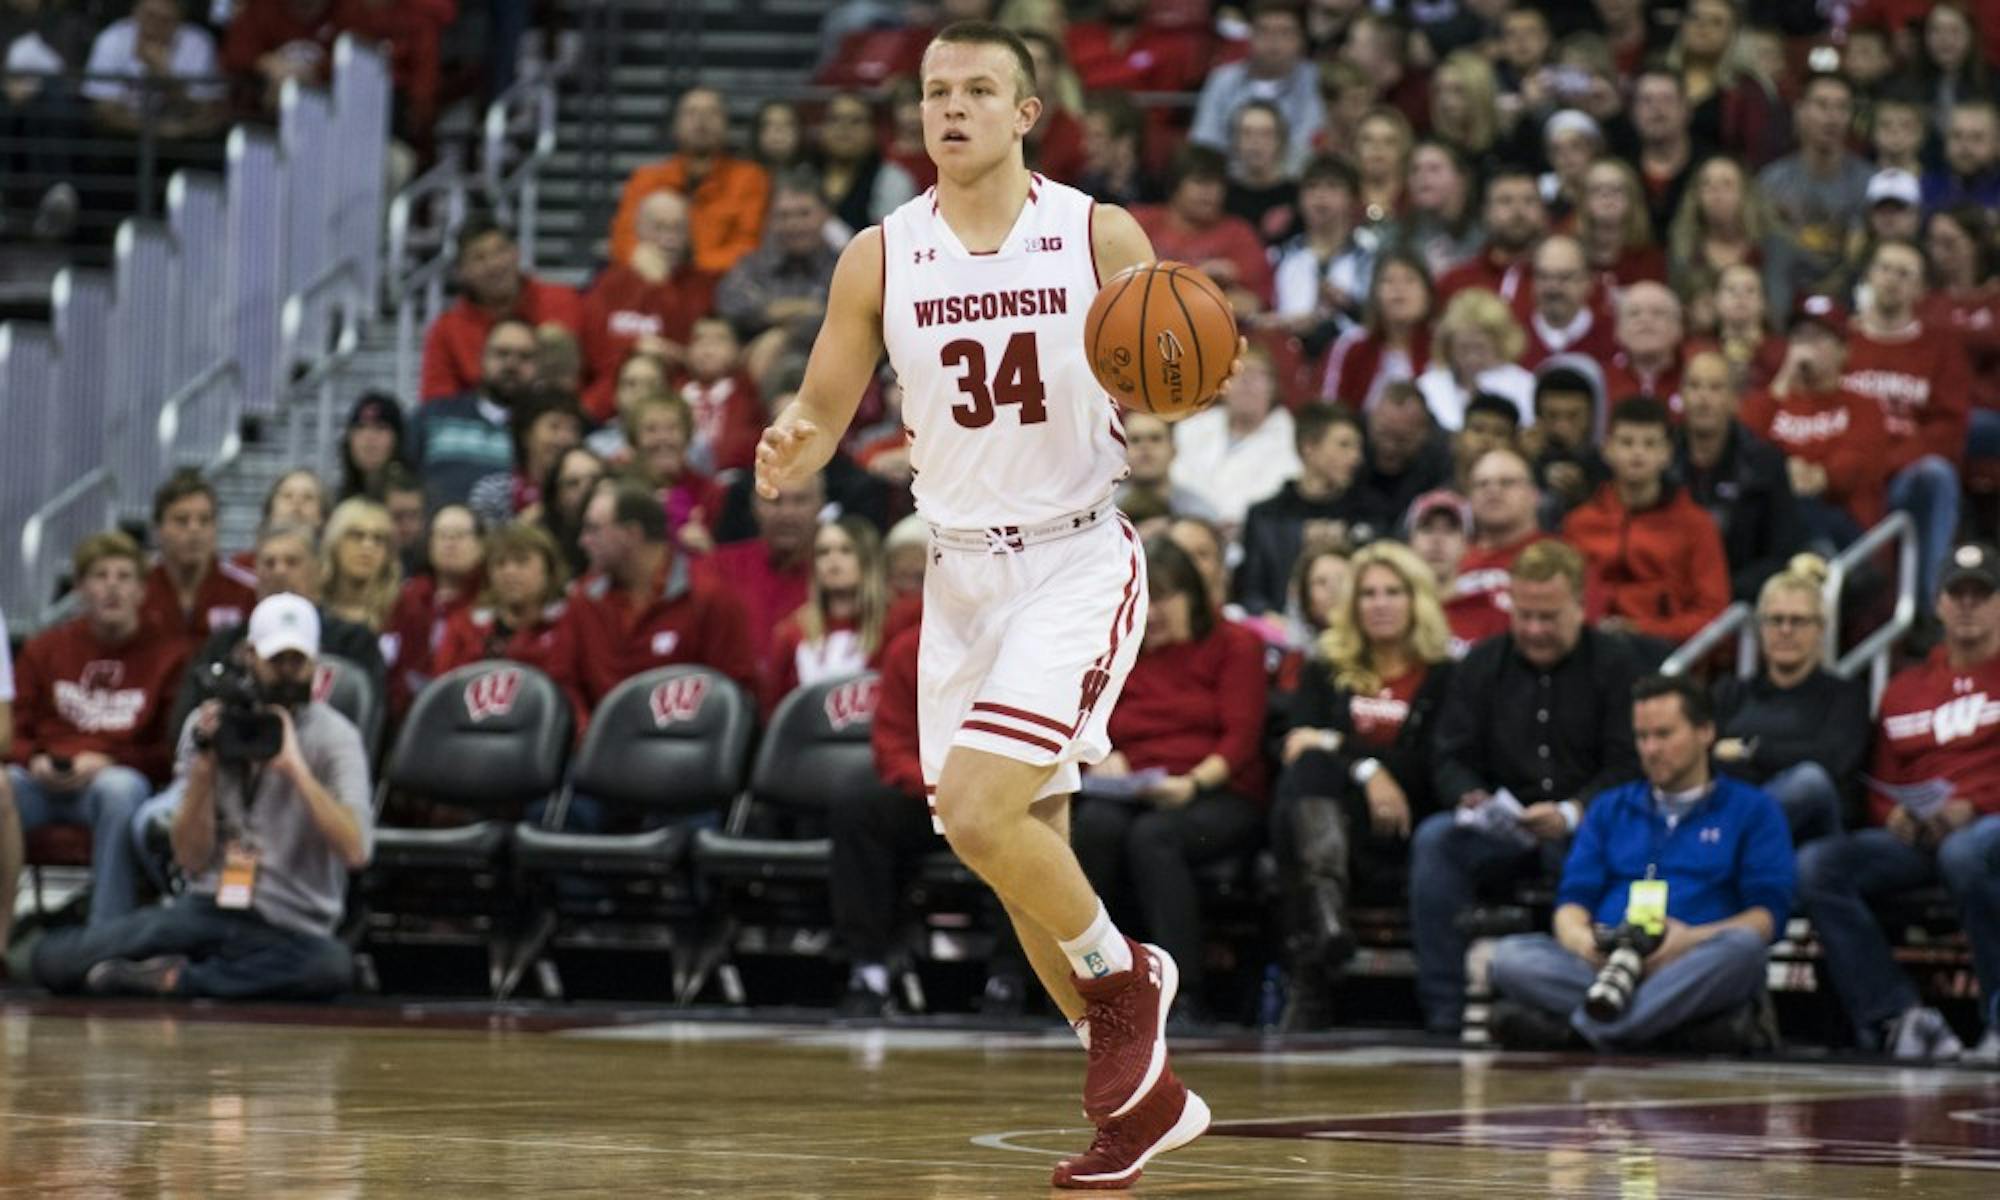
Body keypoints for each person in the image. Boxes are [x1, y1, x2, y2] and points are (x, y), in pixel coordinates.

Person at [750, 21, 1218, 1185]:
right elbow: (823, 403)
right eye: (931, 91)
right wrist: (792, 444)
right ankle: (1144, 1102)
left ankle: (1124, 982)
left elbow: (1169, 367)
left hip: (1071, 558)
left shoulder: (1093, 231)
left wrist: (1188, 378)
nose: (948, 108)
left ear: (1026, 112)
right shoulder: (880, 255)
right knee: (1005, 842)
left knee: (975, 804)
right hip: (955, 573)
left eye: (975, 90)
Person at [32, 594, 370, 1001]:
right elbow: (189, 857)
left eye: (297, 662)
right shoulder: (209, 725)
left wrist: (296, 769)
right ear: (249, 656)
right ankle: (203, 975)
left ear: (316, 662)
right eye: (275, 660)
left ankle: (175, 980)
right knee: (53, 961)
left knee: (330, 967)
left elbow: (356, 851)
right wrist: (205, 770)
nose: (286, 674)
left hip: (291, 925)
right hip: (206, 909)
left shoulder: (337, 738)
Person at [1485, 674, 1794, 1051]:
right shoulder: (1609, 808)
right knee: (1510, 957)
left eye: (1664, 735)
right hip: (1605, 962)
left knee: (1743, 951)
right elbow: (1572, 902)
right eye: (1642, 737)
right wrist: (1585, 944)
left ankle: (1589, 1031)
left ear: (1705, 732)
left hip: (1690, 963)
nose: (1650, 749)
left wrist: (1686, 942)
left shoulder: (1752, 809)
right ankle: (1652, 1028)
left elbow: (1766, 918)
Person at [1412, 540, 1645, 1034]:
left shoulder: (1616, 664)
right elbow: (1449, 756)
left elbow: (1630, 763)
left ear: (1581, 607)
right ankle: (1443, 1009)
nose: (1535, 630)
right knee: (1436, 841)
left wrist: (1573, 811)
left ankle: (1570, 998)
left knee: (1591, 852)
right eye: (1525, 615)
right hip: (1502, 824)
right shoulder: (1481, 663)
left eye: (1549, 617)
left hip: (1584, 826)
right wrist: (1471, 795)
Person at [1795, 542, 2000, 1064]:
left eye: (1983, 593)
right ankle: (1897, 1017)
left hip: (1987, 827)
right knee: (1818, 865)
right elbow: (1880, 782)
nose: (1969, 604)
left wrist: (1973, 806)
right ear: (1938, 603)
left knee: (1967, 854)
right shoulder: (1904, 688)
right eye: (1958, 593)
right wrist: (1897, 817)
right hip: (1923, 839)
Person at [1071, 537, 1267, 1030]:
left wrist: (1194, 784)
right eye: (1142, 600)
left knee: (1154, 837)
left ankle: (1183, 993)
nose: (1152, 613)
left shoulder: (1236, 643)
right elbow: (1089, 720)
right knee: (1094, 826)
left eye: (1164, 599)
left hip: (1217, 789)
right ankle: (1098, 986)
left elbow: (1242, 737)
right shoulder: (1118, 648)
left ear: (1193, 596)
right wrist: (1104, 757)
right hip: (1133, 787)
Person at [1270, 541, 1455, 1031]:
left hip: (1402, 824)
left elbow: (1431, 765)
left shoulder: (1445, 676)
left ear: (1418, 600)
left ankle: (1313, 962)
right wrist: (1369, 769)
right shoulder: (1326, 668)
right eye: (1368, 593)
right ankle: (1324, 927)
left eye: (1393, 591)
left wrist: (1340, 747)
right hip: (1332, 826)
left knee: (1311, 773)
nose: (1380, 603)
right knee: (1308, 772)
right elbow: (1293, 747)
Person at [5, 531, 184, 933]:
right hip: (41, 780)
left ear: (142, 590)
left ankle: (107, 936)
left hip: (115, 781)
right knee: (2, 786)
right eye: (100, 576)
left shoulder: (170, 655)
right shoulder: (45, 647)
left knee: (121, 789)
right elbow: (12, 729)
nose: (112, 587)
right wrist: (31, 758)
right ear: (81, 588)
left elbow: (171, 751)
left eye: (124, 576)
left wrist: (111, 761)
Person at [550, 479, 756, 723]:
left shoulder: (709, 598)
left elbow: (736, 694)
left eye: (593, 529)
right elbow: (562, 684)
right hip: (602, 753)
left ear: (631, 534)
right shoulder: (584, 601)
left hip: (687, 749)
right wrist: (588, 740)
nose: (583, 541)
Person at [169, 522, 387, 745]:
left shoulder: (353, 641)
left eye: (292, 562)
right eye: (269, 563)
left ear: (319, 570)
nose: (279, 571)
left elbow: (372, 727)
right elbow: (182, 728)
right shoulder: (225, 643)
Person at [1840, 240, 1973, 604]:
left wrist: (1889, 462)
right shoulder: (1840, 341)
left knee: (1936, 475)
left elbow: (1949, 428)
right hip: (1844, 475)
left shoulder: (1941, 347)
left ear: (1920, 289)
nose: (1892, 281)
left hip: (1902, 475)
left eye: (1904, 274)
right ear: (1869, 275)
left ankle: (1928, 609)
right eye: (1884, 269)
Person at [1712, 556, 1871, 845]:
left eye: (1798, 621)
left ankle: (1726, 844)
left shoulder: (1847, 695)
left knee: (1807, 781)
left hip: (1813, 837)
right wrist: (1786, 755)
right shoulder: (1730, 693)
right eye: (1775, 620)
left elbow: (1832, 762)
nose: (1785, 630)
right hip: (1735, 811)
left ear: (1820, 629)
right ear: (1761, 628)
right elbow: (1708, 760)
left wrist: (1751, 750)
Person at [1562, 396, 1730, 645]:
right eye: (1626, 442)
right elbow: (1563, 598)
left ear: (1667, 454)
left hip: (1667, 656)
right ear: (1607, 450)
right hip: (1586, 649)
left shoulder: (1697, 525)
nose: (1637, 453)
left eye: (1650, 444)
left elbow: (1712, 614)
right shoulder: (1578, 524)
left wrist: (1645, 630)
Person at [1741, 296, 1889, 552]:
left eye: (1819, 338)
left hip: (1845, 528)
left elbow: (1850, 471)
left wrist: (1815, 475)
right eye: (1799, 337)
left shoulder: (1863, 406)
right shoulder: (1768, 402)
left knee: (1803, 507)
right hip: (1776, 523)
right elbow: (1743, 447)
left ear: (1844, 351)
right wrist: (1782, 382)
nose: (1806, 348)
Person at [1674, 350, 1803, 602]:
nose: (1703, 398)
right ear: (1681, 395)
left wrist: (1725, 592)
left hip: (1739, 602)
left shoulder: (1765, 464)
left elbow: (1781, 553)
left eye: (1715, 388)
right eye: (1695, 386)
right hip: (1672, 597)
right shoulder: (1661, 459)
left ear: (1735, 400)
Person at [578, 190, 718, 422]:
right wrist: (634, 347)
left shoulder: (701, 286)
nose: (669, 237)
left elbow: (696, 352)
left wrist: (660, 286)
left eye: (677, 228)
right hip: (610, 394)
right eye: (659, 227)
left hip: (674, 392)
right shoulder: (610, 282)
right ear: (640, 230)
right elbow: (590, 348)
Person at [608, 85, 772, 275]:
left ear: (726, 125)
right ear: (675, 125)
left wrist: (688, 269)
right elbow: (622, 239)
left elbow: (748, 245)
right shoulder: (645, 179)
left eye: (712, 113)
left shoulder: (751, 179)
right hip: (652, 281)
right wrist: (643, 259)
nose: (701, 120)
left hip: (719, 286)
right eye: (691, 112)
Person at [418, 215, 582, 403]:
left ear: (516, 253)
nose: (494, 265)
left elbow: (603, 373)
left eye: (500, 250)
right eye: (479, 258)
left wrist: (582, 416)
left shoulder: (564, 301)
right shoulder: (446, 331)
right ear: (461, 272)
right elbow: (437, 405)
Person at [1235, 405, 1372, 618]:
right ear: (1309, 447)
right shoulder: (1265, 516)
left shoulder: (1370, 514)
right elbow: (1250, 594)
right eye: (1344, 445)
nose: (1356, 457)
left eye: (1358, 447)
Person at [715, 173, 842, 383]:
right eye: (783, 215)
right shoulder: (753, 265)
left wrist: (782, 335)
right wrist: (796, 309)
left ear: (826, 214)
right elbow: (730, 304)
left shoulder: (845, 265)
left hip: (829, 372)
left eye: (804, 214)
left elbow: (847, 319)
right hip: (753, 372)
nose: (793, 224)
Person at [1756, 73, 1872, 299]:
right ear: (1800, 112)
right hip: (1786, 291)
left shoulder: (1868, 182)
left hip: (1850, 294)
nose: (1832, 117)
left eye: (1842, 107)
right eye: (1821, 105)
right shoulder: (1771, 182)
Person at [411, 318, 542, 511]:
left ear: (539, 367)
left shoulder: (545, 432)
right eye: (501, 353)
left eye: (524, 357)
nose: (512, 364)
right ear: (481, 358)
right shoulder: (434, 417)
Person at [762, 516, 888, 715]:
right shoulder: (791, 631)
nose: (832, 560)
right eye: (823, 552)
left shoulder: (892, 626)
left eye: (846, 550)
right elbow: (774, 712)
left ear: (868, 560)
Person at [693, 474, 821, 665]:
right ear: (755, 507)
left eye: (800, 501)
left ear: (820, 506)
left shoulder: (838, 574)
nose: (787, 513)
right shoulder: (717, 568)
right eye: (775, 501)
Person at [1132, 145, 1275, 316]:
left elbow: (1253, 303)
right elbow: (1118, 284)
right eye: (1201, 182)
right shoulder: (1140, 222)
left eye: (1218, 184)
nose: (1212, 193)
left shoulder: (1239, 234)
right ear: (1175, 184)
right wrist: (1198, 278)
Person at [1167, 347, 1298, 532]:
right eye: (1238, 372)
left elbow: (1280, 489)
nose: (1247, 381)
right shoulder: (1190, 428)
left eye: (1257, 374)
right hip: (1187, 528)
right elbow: (1175, 480)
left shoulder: (1291, 437)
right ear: (1222, 386)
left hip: (1251, 538)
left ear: (1273, 387)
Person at [1187, 0, 1323, 172]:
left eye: (1285, 32)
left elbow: (1309, 144)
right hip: (1229, 185)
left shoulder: (1315, 80)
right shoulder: (1222, 80)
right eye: (1264, 31)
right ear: (1249, 36)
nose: (1274, 41)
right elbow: (1205, 145)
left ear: (1301, 39)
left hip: (1295, 185)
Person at [431, 522, 569, 678]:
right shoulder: (462, 629)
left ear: (548, 571)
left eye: (521, 561)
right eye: (499, 563)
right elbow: (444, 690)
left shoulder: (569, 625)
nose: (509, 572)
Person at [142, 469, 257, 654]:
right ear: (158, 529)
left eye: (205, 520)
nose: (195, 530)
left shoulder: (248, 590)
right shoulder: (137, 588)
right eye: (182, 521)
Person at [1318, 250, 1434, 411]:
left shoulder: (1442, 346)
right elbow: (1332, 409)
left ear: (1428, 294)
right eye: (1388, 281)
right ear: (1374, 294)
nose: (1399, 289)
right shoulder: (1352, 345)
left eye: (1410, 280)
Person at [1417, 287, 1535, 430]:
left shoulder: (1525, 387)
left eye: (1480, 348)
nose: (1472, 358)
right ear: (1448, 347)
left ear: (1500, 345)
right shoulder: (1427, 387)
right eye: (1464, 348)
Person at [1115, 412, 1220, 525]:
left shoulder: (1200, 514)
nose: (1145, 447)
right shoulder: (1102, 509)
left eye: (1155, 439)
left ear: (1173, 450)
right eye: (1135, 440)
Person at [318, 498, 401, 635]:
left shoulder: (401, 614)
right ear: (335, 544)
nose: (368, 546)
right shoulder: (312, 612)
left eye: (378, 539)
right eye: (357, 535)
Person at [336, 391, 407, 503]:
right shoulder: (338, 502)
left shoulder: (412, 499)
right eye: (361, 427)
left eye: (380, 427)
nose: (369, 437)